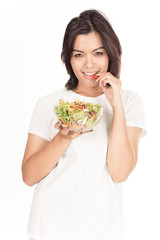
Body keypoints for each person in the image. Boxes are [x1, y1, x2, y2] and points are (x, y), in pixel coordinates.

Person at [21, 9, 146, 240]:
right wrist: (63, 137)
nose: (89, 64)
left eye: (98, 53)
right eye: (79, 55)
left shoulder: (128, 102)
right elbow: (29, 176)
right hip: (48, 227)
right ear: (69, 58)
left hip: (103, 230)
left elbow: (119, 172)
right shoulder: (49, 103)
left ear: (111, 53)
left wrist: (116, 105)